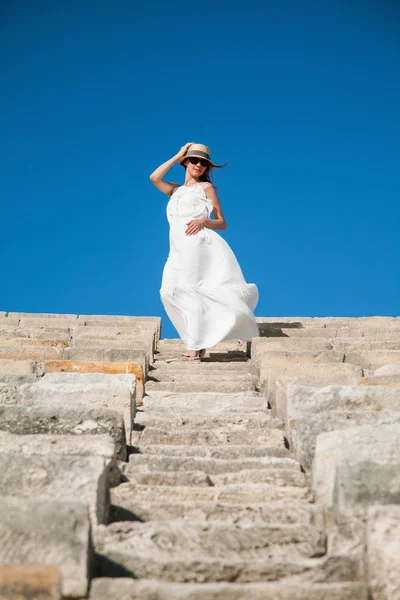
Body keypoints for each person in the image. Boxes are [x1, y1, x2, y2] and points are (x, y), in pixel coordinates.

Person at [150, 142, 259, 362]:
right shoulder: (175, 190)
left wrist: (204, 221)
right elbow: (154, 178)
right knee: (167, 292)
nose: (199, 165)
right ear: (186, 163)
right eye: (194, 160)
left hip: (197, 244)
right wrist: (178, 154)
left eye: (203, 163)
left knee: (190, 291)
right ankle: (197, 344)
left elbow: (222, 222)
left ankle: (193, 349)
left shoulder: (205, 188)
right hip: (177, 248)